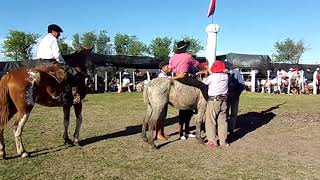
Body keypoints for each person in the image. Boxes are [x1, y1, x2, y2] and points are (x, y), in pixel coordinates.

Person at [36, 24, 80, 104]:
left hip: (40, 62)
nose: (59, 34)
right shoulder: (53, 39)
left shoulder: (43, 39)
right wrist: (64, 63)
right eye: (58, 32)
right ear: (53, 31)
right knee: (74, 73)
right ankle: (74, 96)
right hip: (50, 62)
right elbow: (57, 55)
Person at [203, 60, 229, 149]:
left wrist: (207, 74)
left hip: (214, 100)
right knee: (223, 121)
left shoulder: (212, 76)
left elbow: (204, 82)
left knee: (210, 121)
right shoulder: (226, 76)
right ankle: (223, 141)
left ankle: (212, 141)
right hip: (224, 101)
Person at [154, 60, 171, 141]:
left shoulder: (164, 74)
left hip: (164, 98)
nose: (169, 68)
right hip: (160, 98)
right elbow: (167, 81)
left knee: (163, 116)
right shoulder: (161, 75)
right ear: (163, 67)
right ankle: (158, 134)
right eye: (168, 66)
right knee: (160, 116)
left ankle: (162, 132)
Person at [227, 68, 245, 134]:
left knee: (233, 112)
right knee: (224, 112)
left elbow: (242, 85)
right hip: (226, 96)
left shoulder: (236, 72)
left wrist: (237, 93)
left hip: (234, 95)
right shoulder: (222, 74)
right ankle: (224, 127)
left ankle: (232, 128)